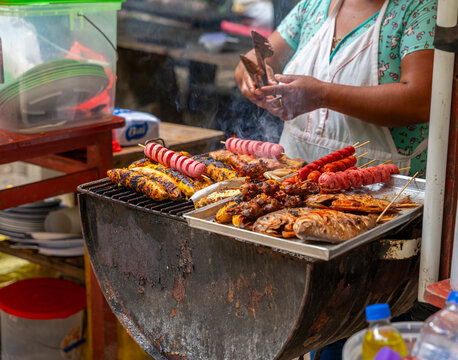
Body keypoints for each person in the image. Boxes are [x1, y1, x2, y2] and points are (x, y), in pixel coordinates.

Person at [235, 0, 437, 177]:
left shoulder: (421, 8)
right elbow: (256, 57)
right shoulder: (312, 6)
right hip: (291, 181)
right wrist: (251, 72)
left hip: (381, 188)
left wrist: (322, 96)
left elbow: (420, 101)